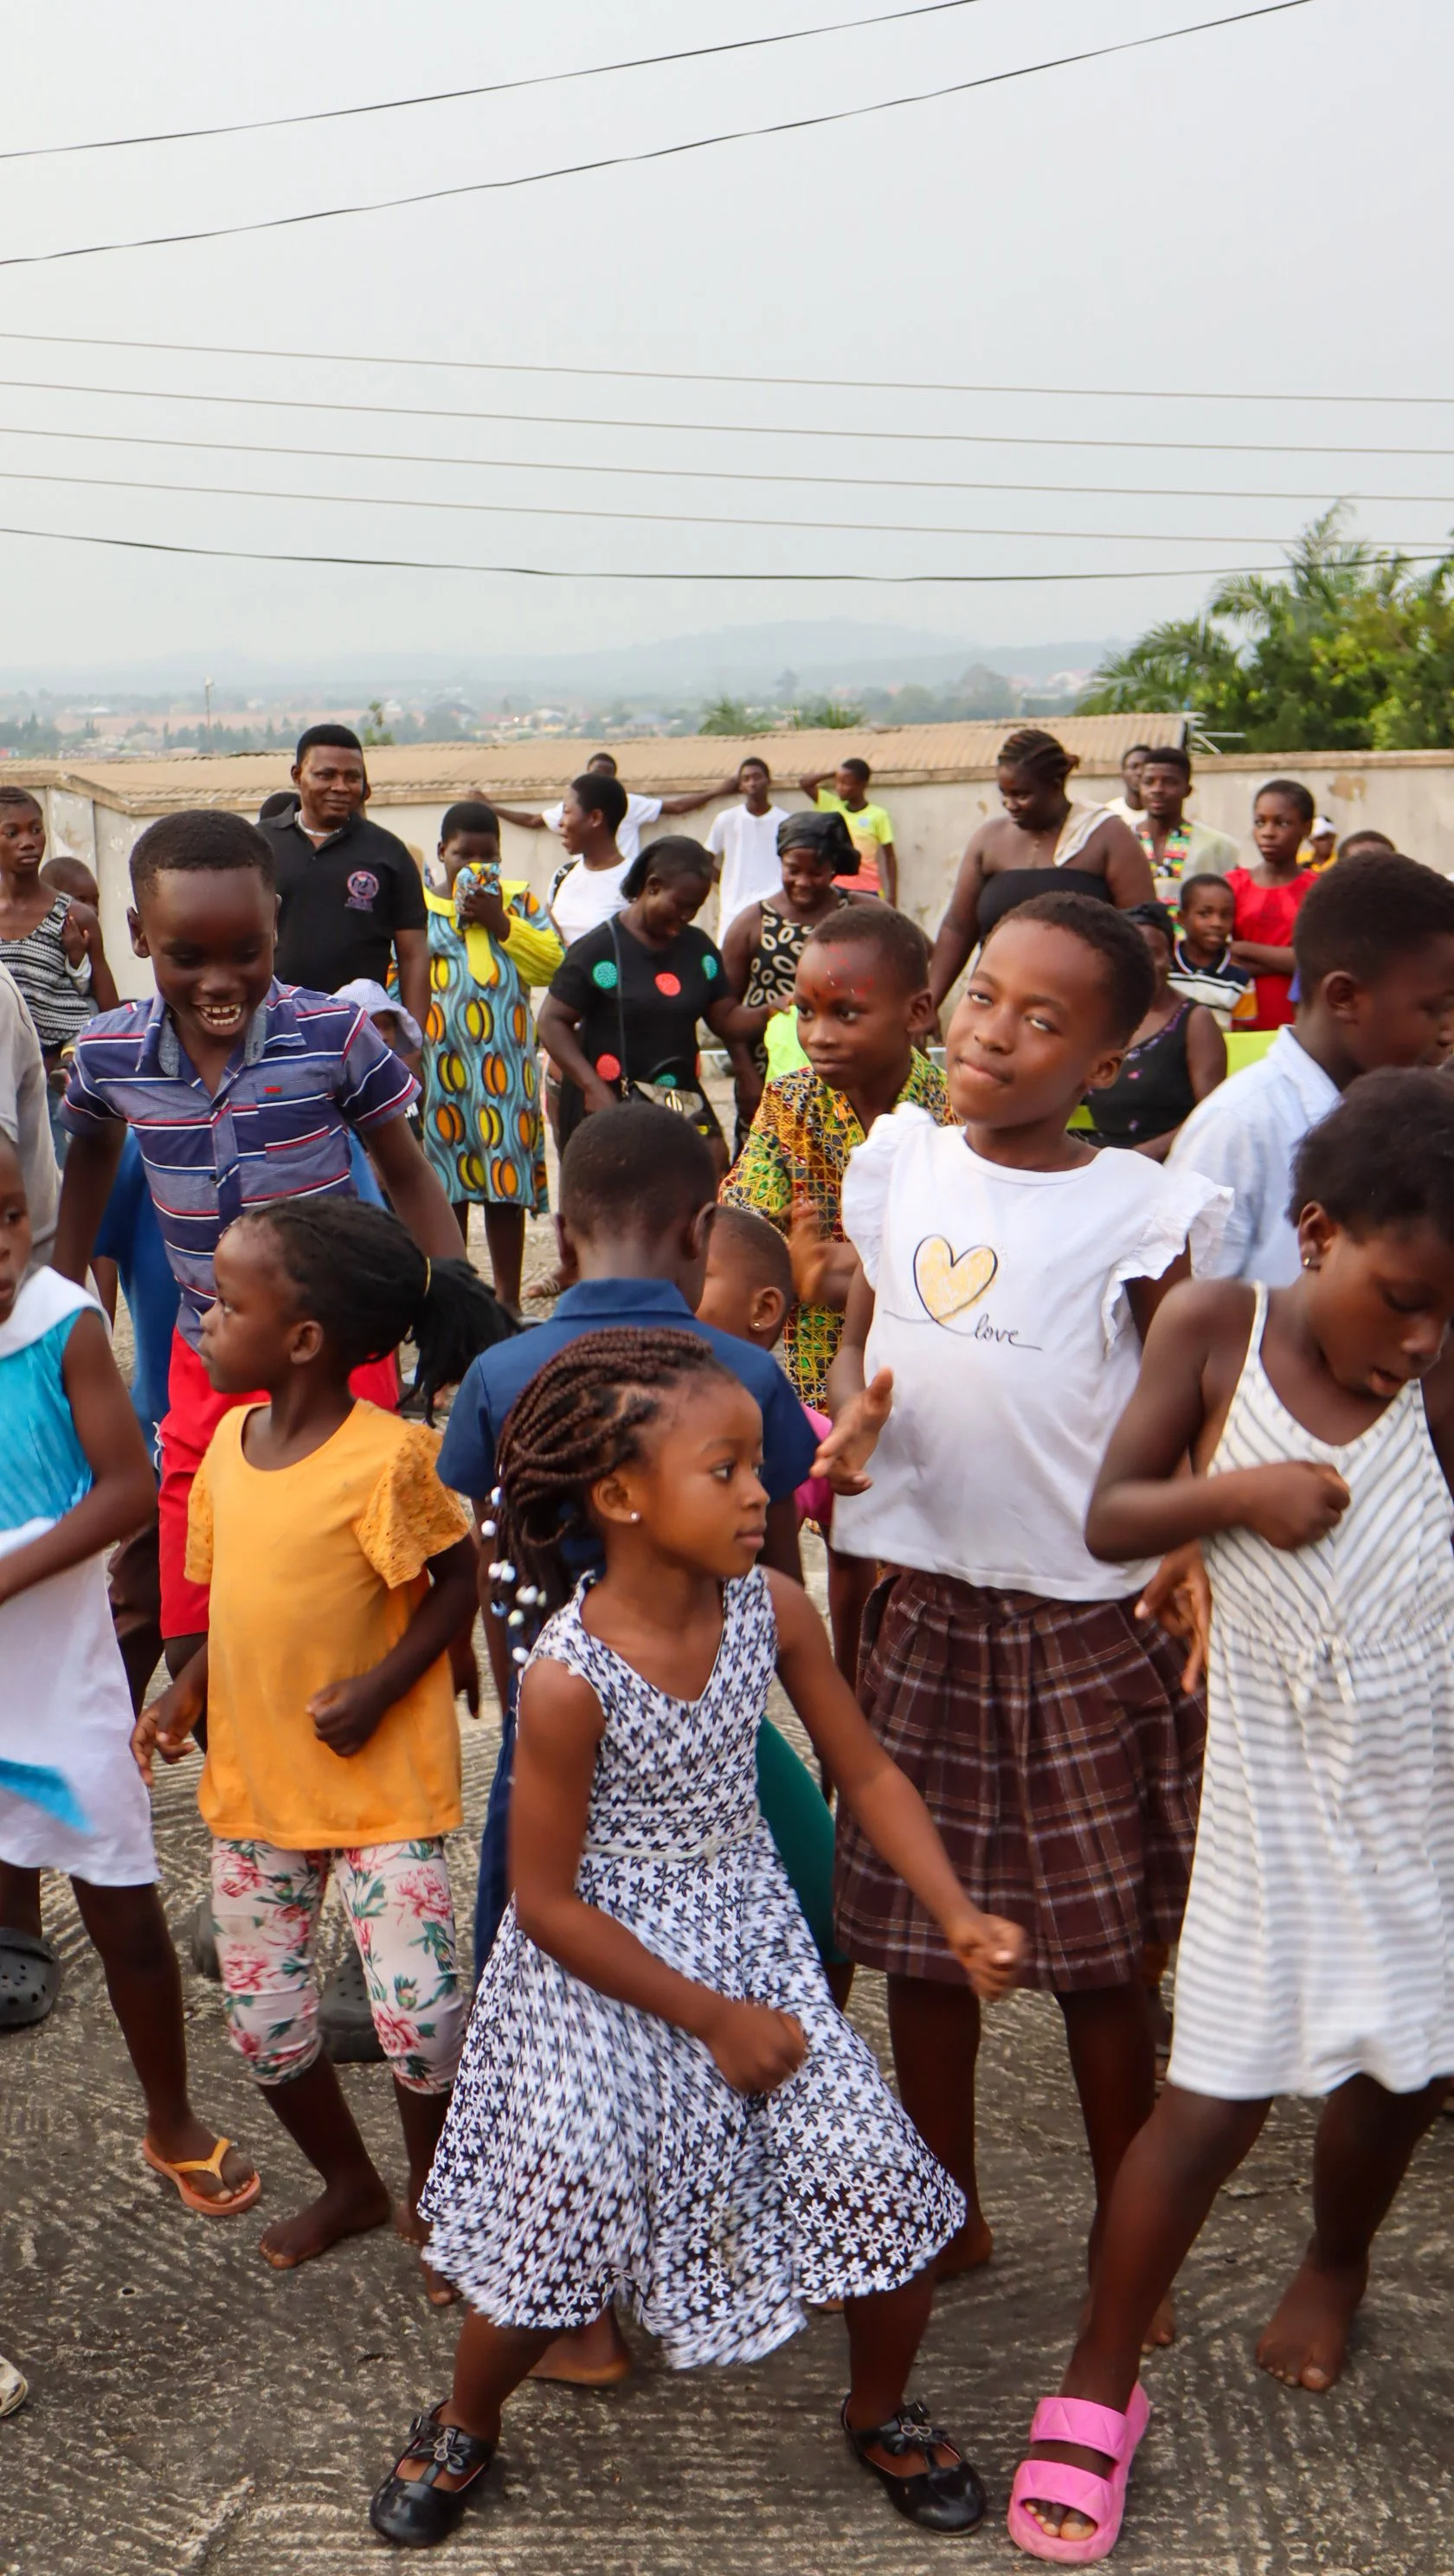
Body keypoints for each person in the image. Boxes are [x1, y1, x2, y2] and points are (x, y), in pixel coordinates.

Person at [368, 1327, 1026, 2550]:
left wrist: (954, 1908)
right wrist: (710, 2019)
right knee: (557, 2222)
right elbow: (549, 1904)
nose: (763, 1493)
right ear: (619, 1498)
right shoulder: (569, 1677)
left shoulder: (773, 1609)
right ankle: (466, 2418)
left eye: (760, 1469)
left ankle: (878, 2407)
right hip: (598, 1971)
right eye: (724, 1471)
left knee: (877, 2187)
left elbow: (867, 1771)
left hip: (751, 1940)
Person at [1009, 1072, 1454, 2560]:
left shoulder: (1446, 1379)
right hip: (1270, 1790)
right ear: (1316, 1234)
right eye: (1401, 1300)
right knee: (1211, 2093)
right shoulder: (1219, 1333)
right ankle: (1098, 2375)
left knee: (1402, 2071)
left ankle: (1336, 2258)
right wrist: (1239, 1498)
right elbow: (1111, 1515)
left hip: (1424, 1800)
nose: (1421, 1339)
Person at [820, 893, 1226, 2319]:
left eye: (1044, 1020)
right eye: (984, 996)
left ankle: (1138, 2235)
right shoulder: (900, 1159)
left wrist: (1192, 1533)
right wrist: (846, 1419)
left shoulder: (1147, 1205)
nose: (996, 1031)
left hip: (1085, 1616)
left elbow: (1198, 1391)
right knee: (925, 1958)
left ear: (1111, 1060)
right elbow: (872, 1337)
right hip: (921, 1600)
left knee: (1104, 1959)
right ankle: (949, 2212)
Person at [132, 1199, 499, 2289]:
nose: (202, 1316)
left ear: (302, 1340)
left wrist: (385, 1686)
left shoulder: (390, 1460)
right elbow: (238, 1611)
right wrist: (185, 1693)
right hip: (258, 1794)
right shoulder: (229, 1455)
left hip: (378, 1787)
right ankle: (349, 2182)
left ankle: (437, 2200)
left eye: (226, 1303)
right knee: (266, 2029)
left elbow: (459, 1580)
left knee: (425, 2023)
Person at [49, 809, 465, 1676]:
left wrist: (454, 1297)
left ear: (274, 922)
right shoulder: (110, 1053)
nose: (220, 982)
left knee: (356, 1587)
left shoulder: (335, 1037)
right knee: (191, 1621)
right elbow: (87, 1165)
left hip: (342, 1356)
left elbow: (410, 1173)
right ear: (138, 936)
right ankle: (249, 1782)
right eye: (185, 957)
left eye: (247, 950)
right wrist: (55, 1303)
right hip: (206, 1357)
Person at [0, 1133, 259, 2207]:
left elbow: (121, 1488)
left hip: (59, 1679)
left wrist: (8, 1575)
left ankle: (171, 2116)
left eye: (11, 1215)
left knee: (122, 1906)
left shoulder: (60, 1322)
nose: (2, 1245)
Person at [1169, 853, 1454, 1284]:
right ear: (1344, 997)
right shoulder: (1237, 1130)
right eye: (1434, 1009)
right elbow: (1184, 1322)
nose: (1448, 1031)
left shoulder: (1424, 1117)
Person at [722, 905, 949, 1410]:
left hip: (937, 1382)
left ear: (917, 1012)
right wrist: (791, 1264)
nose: (818, 1036)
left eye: (845, 1014)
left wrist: (831, 1268)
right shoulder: (789, 1104)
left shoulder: (954, 1113)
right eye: (805, 1011)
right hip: (817, 1388)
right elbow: (741, 1235)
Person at [416, 801, 562, 1311]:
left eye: (489, 856)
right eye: (464, 854)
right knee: (446, 1184)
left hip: (508, 1073)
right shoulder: (419, 912)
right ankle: (459, 1299)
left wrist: (501, 922)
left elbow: (552, 966)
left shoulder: (520, 903)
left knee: (506, 1182)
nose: (477, 865)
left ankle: (507, 1303)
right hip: (442, 1071)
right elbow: (396, 985)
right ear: (442, 853)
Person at [537, 837, 750, 1174]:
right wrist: (591, 1087)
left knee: (709, 1159)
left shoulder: (698, 948)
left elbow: (726, 1020)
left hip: (673, 1094)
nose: (687, 916)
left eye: (695, 908)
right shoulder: (599, 950)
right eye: (681, 905)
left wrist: (771, 1013)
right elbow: (551, 1020)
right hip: (608, 1095)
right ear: (652, 887)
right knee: (619, 1187)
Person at [927, 730, 1155, 1011]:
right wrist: (930, 1003)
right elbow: (958, 927)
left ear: (1056, 784)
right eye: (1005, 794)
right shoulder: (989, 840)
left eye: (1022, 795)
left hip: (1077, 1008)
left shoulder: (1105, 836)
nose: (1011, 805)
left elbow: (1145, 929)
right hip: (994, 1005)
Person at [259, 726, 429, 1062]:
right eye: (326, 775)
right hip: (273, 1034)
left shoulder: (389, 852)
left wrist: (411, 1048)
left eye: (352, 777)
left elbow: (413, 954)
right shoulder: (259, 846)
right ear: (298, 775)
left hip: (361, 1036)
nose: (340, 786)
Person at [718, 808, 862, 1148]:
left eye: (817, 872)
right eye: (792, 870)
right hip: (767, 1069)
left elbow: (915, 951)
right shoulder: (753, 922)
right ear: (780, 863)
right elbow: (723, 1010)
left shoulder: (857, 914)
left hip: (843, 1065)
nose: (803, 881)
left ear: (833, 868)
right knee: (769, 1161)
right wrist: (746, 1074)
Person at [0, 787, 119, 1098]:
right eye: (12, 833)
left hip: (59, 1078)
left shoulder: (75, 917)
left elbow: (106, 1007)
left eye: (36, 830)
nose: (28, 841)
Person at [1086, 902, 1227, 1158]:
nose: (1142, 964)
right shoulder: (1101, 1018)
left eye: (1152, 953)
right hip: (1101, 1161)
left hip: (1169, 1164)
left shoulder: (1195, 1021)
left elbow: (1213, 1116)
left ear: (1170, 956)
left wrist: (1141, 1156)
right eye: (1131, 955)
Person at [493, 747, 728, 872]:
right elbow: (534, 820)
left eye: (607, 777)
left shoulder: (629, 804)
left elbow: (676, 807)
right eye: (596, 774)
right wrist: (490, 807)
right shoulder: (567, 880)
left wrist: (719, 790)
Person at [1225, 779, 1317, 1029]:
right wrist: (1285, 961)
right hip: (1236, 1016)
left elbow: (1314, 961)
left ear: (1306, 828)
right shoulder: (1232, 885)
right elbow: (1218, 957)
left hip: (1299, 1018)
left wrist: (1242, 947)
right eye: (1260, 822)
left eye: (1282, 823)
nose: (1268, 832)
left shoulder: (1318, 890)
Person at [1131, 746, 1240, 896]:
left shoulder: (1217, 846)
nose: (1157, 789)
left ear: (1187, 790)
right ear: (1139, 787)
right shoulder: (1122, 841)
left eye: (1169, 782)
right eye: (1149, 782)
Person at [706, 755, 791, 939]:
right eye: (746, 779)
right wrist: (726, 881)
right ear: (740, 786)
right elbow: (707, 857)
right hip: (734, 906)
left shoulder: (784, 821)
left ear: (768, 781)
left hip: (774, 905)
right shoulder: (726, 819)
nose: (752, 783)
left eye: (757, 777)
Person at [798, 756, 897, 904]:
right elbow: (805, 783)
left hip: (868, 888)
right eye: (838, 782)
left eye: (846, 783)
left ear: (862, 785)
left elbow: (889, 857)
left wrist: (892, 895)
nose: (839, 787)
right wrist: (836, 772)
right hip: (837, 886)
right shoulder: (832, 805)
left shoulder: (878, 816)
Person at [1166, 876, 1257, 1027]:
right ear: (1181, 918)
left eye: (1225, 915)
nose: (1217, 923)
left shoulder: (1240, 979)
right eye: (1204, 914)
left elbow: (1243, 1034)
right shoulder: (1165, 967)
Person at [1105, 744, 1154, 825]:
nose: (1140, 772)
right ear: (1123, 775)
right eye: (1134, 767)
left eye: (1146, 767)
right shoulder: (1109, 813)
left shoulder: (1165, 815)